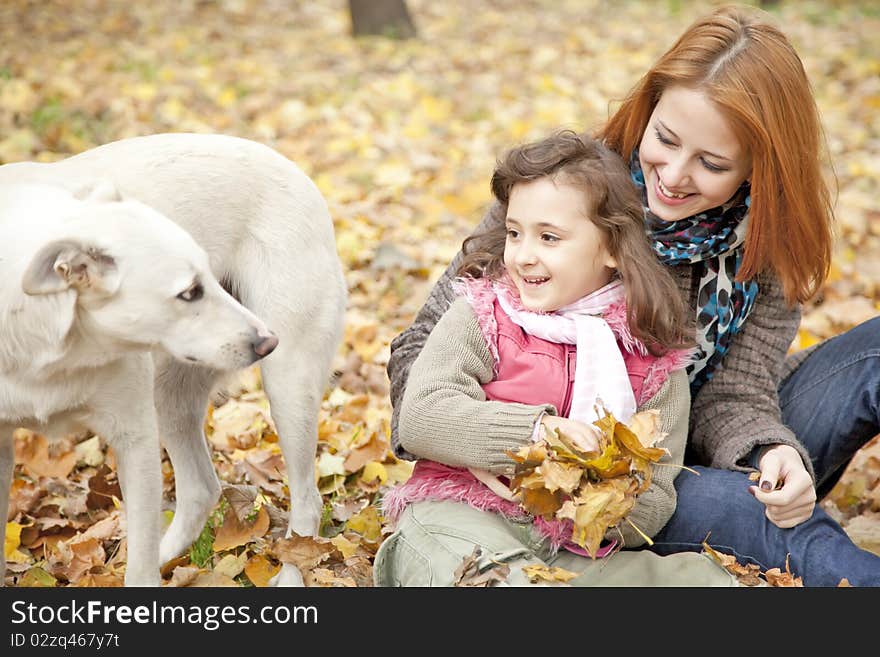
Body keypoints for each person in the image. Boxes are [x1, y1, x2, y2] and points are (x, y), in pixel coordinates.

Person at [385, 4, 880, 587]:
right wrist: (487, 444)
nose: (672, 174)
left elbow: (735, 397)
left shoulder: (763, 248)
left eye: (712, 163)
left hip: (676, 462)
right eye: (665, 139)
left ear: (758, 169)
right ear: (648, 111)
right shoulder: (561, 198)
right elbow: (427, 346)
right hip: (567, 460)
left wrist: (776, 453)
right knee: (748, 516)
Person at [373, 129, 738, 586]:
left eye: (549, 237)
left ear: (611, 247)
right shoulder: (485, 314)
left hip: (575, 545)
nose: (523, 256)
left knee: (699, 582)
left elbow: (658, 491)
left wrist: (591, 494)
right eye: (513, 233)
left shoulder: (652, 359)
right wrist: (540, 434)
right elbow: (423, 415)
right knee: (486, 577)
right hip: (461, 516)